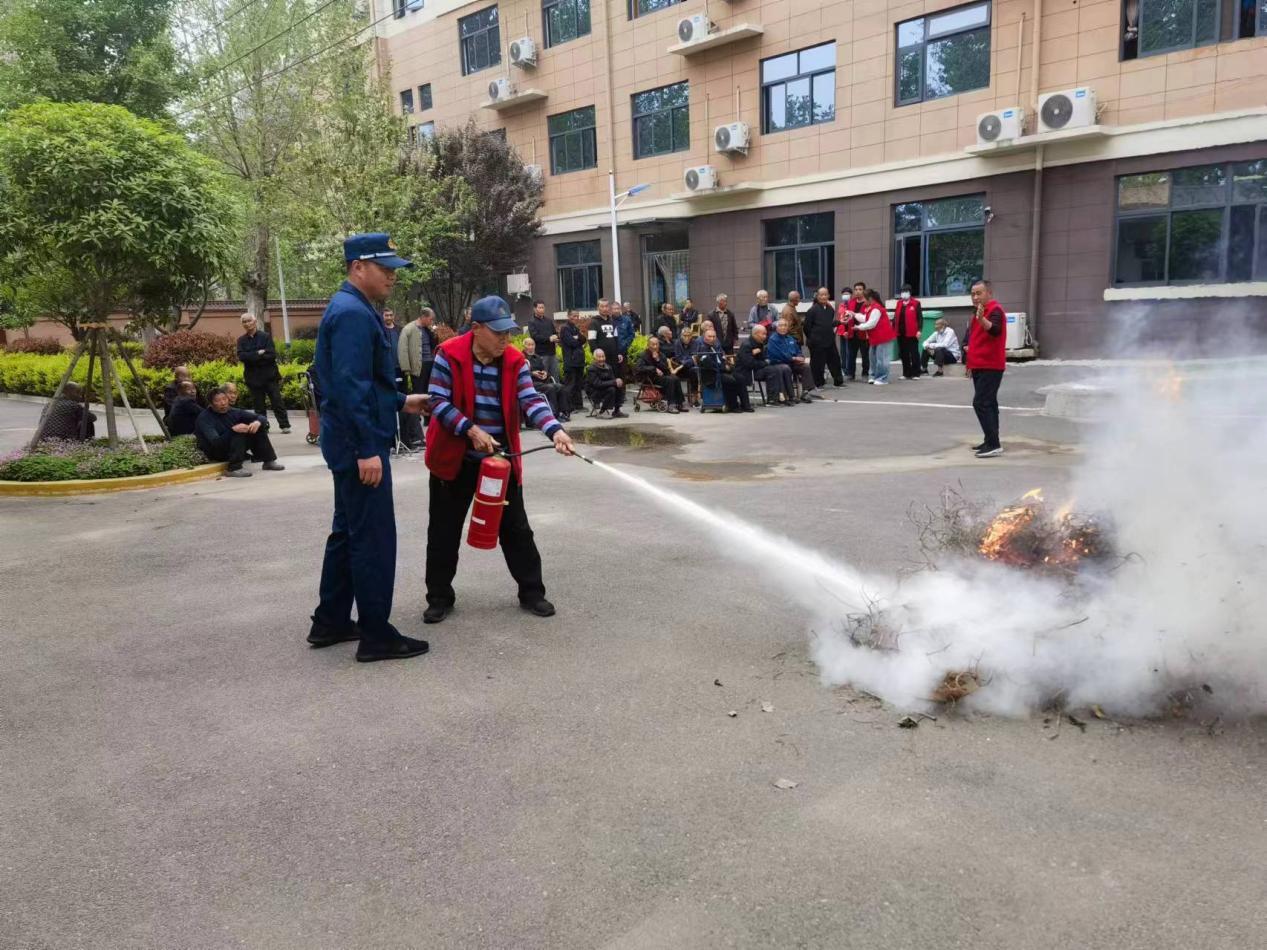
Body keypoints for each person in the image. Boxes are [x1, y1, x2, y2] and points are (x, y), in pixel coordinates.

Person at [309, 232, 430, 663]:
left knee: (348, 532)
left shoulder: (352, 307)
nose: (392, 276)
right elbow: (348, 387)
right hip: (358, 445)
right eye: (385, 268)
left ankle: (331, 621)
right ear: (358, 267)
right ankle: (377, 635)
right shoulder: (353, 314)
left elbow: (362, 383)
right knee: (373, 538)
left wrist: (400, 401)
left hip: (349, 441)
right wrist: (367, 449)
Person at [423, 295, 575, 623]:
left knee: (516, 528)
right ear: (476, 328)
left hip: (498, 458)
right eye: (498, 332)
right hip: (454, 457)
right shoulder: (448, 354)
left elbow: (530, 400)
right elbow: (437, 400)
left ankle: (532, 592)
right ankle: (439, 597)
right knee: (444, 530)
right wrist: (470, 430)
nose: (505, 339)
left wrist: (555, 431)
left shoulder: (515, 361)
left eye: (508, 332)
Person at [195, 387, 284, 476]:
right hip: (216, 452)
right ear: (211, 404)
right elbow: (216, 442)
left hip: (232, 447)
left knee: (257, 427)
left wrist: (257, 422)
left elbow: (261, 418)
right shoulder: (205, 418)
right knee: (238, 432)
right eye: (217, 401)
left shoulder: (234, 411)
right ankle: (234, 468)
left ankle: (268, 461)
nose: (223, 403)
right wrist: (233, 430)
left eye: (224, 399)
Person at [966, 279, 1007, 458]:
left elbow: (995, 330)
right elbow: (973, 339)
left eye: (979, 293)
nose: (975, 297)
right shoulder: (977, 313)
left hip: (991, 365)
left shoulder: (995, 310)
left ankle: (993, 444)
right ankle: (990, 440)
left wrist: (982, 319)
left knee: (981, 403)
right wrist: (970, 364)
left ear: (989, 293)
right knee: (989, 403)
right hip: (979, 365)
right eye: (973, 294)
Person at [236, 313, 292, 434]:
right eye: (244, 322)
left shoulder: (265, 336)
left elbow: (271, 355)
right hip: (253, 378)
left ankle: (284, 425)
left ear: (255, 321)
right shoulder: (241, 340)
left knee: (277, 402)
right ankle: (263, 426)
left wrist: (252, 357)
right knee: (259, 405)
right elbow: (242, 357)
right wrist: (258, 353)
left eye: (249, 320)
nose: (247, 323)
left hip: (270, 376)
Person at [398, 307, 438, 449]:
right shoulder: (409, 329)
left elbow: (434, 345)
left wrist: (434, 333)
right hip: (417, 368)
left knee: (430, 395)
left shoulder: (428, 330)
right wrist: (406, 369)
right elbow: (402, 350)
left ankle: (430, 424)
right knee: (418, 396)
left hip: (430, 365)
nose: (431, 322)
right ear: (423, 317)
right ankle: (416, 434)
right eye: (430, 319)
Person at [697, 326, 751, 412]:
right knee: (730, 380)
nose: (712, 338)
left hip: (721, 371)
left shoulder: (715, 347)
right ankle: (733, 406)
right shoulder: (702, 348)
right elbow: (710, 365)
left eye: (714, 336)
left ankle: (746, 405)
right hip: (711, 375)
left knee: (740, 378)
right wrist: (724, 368)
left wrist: (728, 366)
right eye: (709, 336)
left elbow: (721, 360)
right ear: (704, 337)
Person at [738, 324, 794, 406]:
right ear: (755, 334)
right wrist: (765, 362)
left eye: (766, 334)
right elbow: (749, 363)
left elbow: (764, 357)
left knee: (781, 368)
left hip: (759, 368)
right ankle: (772, 399)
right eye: (763, 334)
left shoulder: (760, 343)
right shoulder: (747, 345)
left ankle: (785, 396)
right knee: (772, 370)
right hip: (749, 372)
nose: (765, 336)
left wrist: (767, 361)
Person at [851, 289, 896, 384]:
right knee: (873, 358)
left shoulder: (876, 308)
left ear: (870, 298)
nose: (863, 301)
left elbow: (871, 323)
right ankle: (874, 376)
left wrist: (858, 327)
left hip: (882, 337)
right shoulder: (871, 308)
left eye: (864, 298)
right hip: (875, 337)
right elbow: (865, 318)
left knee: (882, 359)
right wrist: (854, 314)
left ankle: (882, 378)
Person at [803, 286, 843, 388]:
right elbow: (807, 327)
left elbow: (828, 324)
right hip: (816, 342)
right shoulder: (812, 310)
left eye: (825, 294)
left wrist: (839, 322)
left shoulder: (830, 309)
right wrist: (813, 338)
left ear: (828, 296)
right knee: (817, 364)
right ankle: (818, 383)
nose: (824, 297)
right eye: (821, 295)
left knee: (835, 361)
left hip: (829, 340)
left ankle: (838, 381)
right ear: (817, 296)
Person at [767, 318, 815, 402]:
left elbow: (798, 351)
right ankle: (791, 395)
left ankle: (805, 392)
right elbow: (779, 354)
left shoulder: (790, 338)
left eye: (785, 325)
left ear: (787, 327)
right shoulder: (773, 339)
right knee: (786, 368)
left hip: (792, 362)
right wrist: (793, 358)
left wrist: (800, 357)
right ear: (777, 328)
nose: (783, 328)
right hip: (779, 363)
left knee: (805, 366)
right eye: (781, 325)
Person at [636, 336, 686, 412]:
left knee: (675, 378)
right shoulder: (643, 355)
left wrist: (658, 360)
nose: (655, 346)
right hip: (649, 378)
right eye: (653, 344)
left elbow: (666, 369)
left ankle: (679, 404)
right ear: (648, 345)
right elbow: (639, 368)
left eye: (657, 344)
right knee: (670, 380)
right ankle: (671, 405)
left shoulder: (661, 355)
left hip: (662, 377)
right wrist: (654, 369)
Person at [522, 337, 564, 417]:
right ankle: (554, 414)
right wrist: (532, 373)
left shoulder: (538, 357)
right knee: (550, 388)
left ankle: (564, 412)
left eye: (532, 345)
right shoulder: (522, 358)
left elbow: (543, 369)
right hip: (531, 383)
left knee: (559, 386)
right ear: (524, 346)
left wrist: (545, 373)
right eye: (529, 345)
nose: (531, 347)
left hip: (541, 381)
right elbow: (521, 373)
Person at [559, 309, 587, 419]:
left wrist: (578, 337)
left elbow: (583, 339)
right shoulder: (565, 328)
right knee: (570, 385)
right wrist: (578, 338)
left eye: (577, 316)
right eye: (574, 316)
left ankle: (578, 405)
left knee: (578, 384)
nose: (576, 318)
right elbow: (572, 342)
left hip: (579, 361)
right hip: (570, 361)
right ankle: (569, 407)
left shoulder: (575, 328)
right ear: (568, 316)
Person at [840, 282, 870, 381]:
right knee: (851, 355)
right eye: (856, 289)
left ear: (864, 291)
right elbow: (846, 317)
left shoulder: (867, 303)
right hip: (852, 332)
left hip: (863, 333)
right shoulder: (851, 302)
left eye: (860, 289)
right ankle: (850, 373)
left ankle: (865, 373)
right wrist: (845, 330)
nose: (858, 291)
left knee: (865, 355)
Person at [893, 284, 923, 380]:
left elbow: (920, 318)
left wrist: (919, 330)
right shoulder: (899, 303)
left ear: (910, 292)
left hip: (912, 333)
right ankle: (906, 373)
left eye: (906, 291)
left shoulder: (916, 303)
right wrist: (893, 329)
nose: (904, 293)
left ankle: (916, 373)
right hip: (900, 332)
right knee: (903, 354)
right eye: (902, 291)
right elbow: (895, 317)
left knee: (914, 353)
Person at [585, 348, 626, 418]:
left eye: (603, 356)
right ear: (594, 358)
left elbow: (612, 380)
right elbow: (597, 384)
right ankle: (603, 411)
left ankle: (617, 410)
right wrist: (613, 382)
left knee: (619, 385)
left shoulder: (608, 367)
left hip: (605, 388)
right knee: (611, 389)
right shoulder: (591, 369)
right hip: (594, 391)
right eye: (599, 357)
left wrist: (617, 381)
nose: (601, 359)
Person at [527, 300, 560, 383]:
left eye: (543, 307)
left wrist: (556, 337)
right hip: (541, 354)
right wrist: (549, 338)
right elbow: (535, 336)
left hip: (552, 353)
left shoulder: (548, 320)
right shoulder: (532, 322)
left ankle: (557, 390)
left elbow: (554, 332)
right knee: (543, 377)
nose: (542, 309)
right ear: (535, 309)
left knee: (555, 376)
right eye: (540, 307)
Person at [589, 298, 621, 370]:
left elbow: (616, 339)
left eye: (606, 306)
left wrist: (618, 353)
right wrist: (596, 356)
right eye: (602, 306)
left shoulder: (612, 322)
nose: (604, 309)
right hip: (601, 359)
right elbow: (591, 341)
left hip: (613, 357)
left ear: (609, 308)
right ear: (598, 308)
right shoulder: (593, 322)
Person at [672, 327, 701, 407]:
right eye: (685, 335)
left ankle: (695, 398)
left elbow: (694, 357)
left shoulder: (695, 343)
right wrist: (687, 361)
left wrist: (685, 362)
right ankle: (678, 399)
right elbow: (678, 358)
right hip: (679, 368)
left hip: (689, 367)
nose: (687, 337)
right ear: (681, 335)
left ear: (691, 336)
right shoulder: (677, 343)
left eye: (689, 335)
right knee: (673, 376)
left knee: (693, 372)